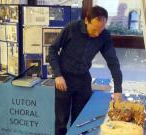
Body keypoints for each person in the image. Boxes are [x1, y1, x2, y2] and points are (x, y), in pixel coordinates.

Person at [48, 6, 123, 135]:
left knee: (81, 121)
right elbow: (52, 50)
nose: (98, 33)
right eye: (95, 29)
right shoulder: (72, 28)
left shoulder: (104, 36)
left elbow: (113, 63)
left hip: (83, 79)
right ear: (86, 21)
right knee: (61, 121)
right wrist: (58, 75)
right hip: (64, 79)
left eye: (101, 29)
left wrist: (118, 90)